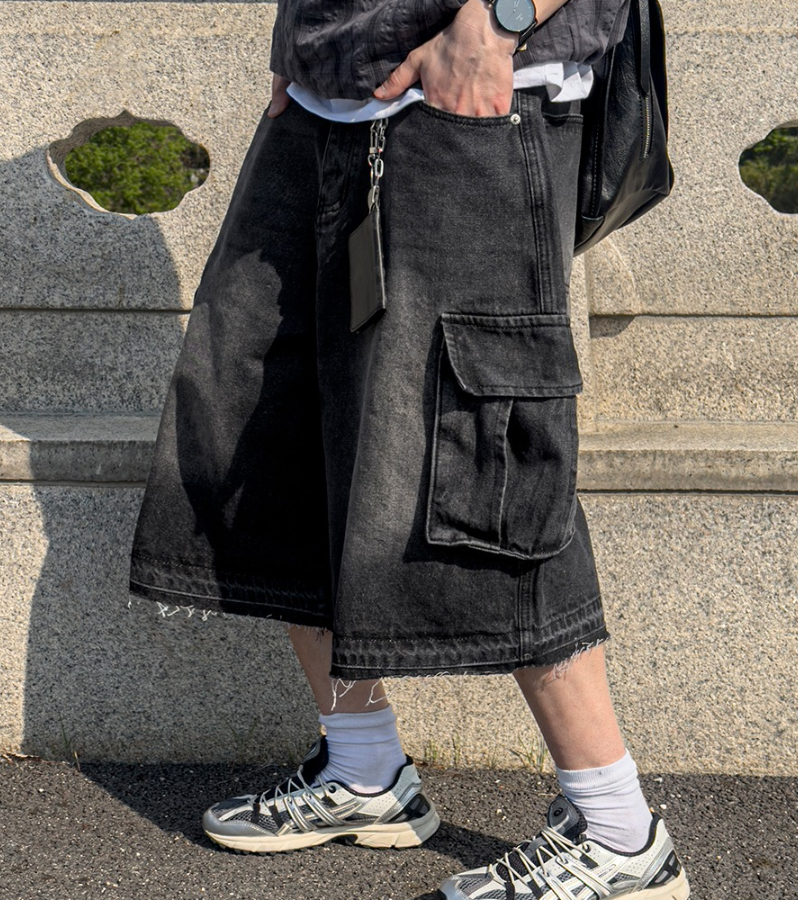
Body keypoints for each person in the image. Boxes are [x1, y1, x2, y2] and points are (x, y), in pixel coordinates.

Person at [129, 0, 690, 897]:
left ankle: (619, 833)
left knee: (485, 462)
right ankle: (364, 772)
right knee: (269, 424)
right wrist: (306, 42)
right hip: (325, 103)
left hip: (473, 101)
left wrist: (499, 22)